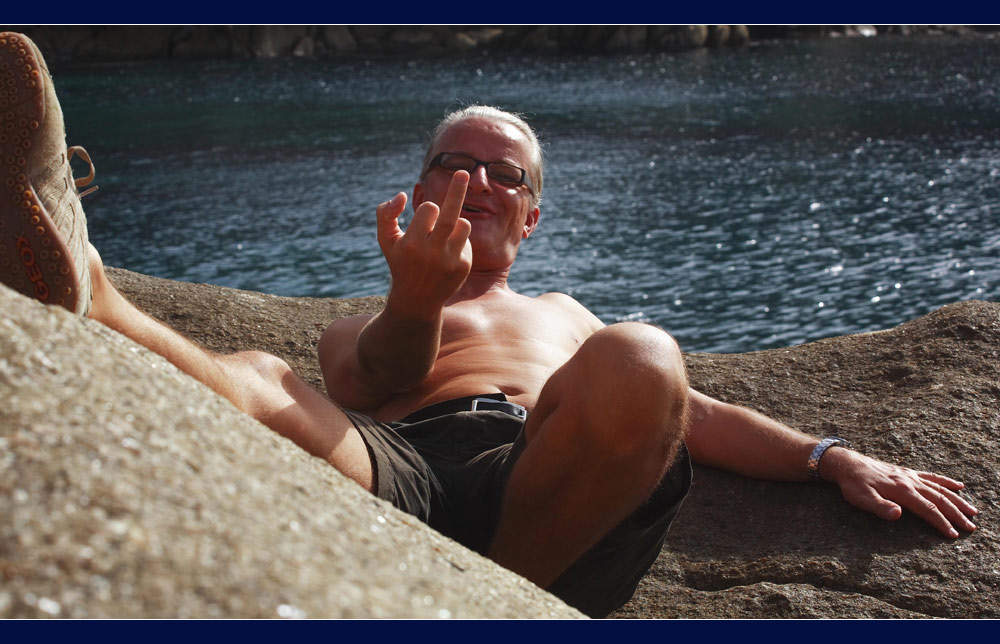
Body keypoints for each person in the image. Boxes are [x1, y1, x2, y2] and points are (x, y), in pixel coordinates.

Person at [0, 32, 979, 618]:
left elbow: (685, 410)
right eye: (448, 165)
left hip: (552, 490)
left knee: (643, 353)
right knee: (263, 368)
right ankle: (87, 287)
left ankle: (488, 597)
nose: (471, 182)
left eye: (500, 174)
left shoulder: (562, 315)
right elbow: (376, 379)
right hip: (404, 466)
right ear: (415, 184)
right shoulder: (364, 318)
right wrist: (419, 296)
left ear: (532, 215)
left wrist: (831, 455)